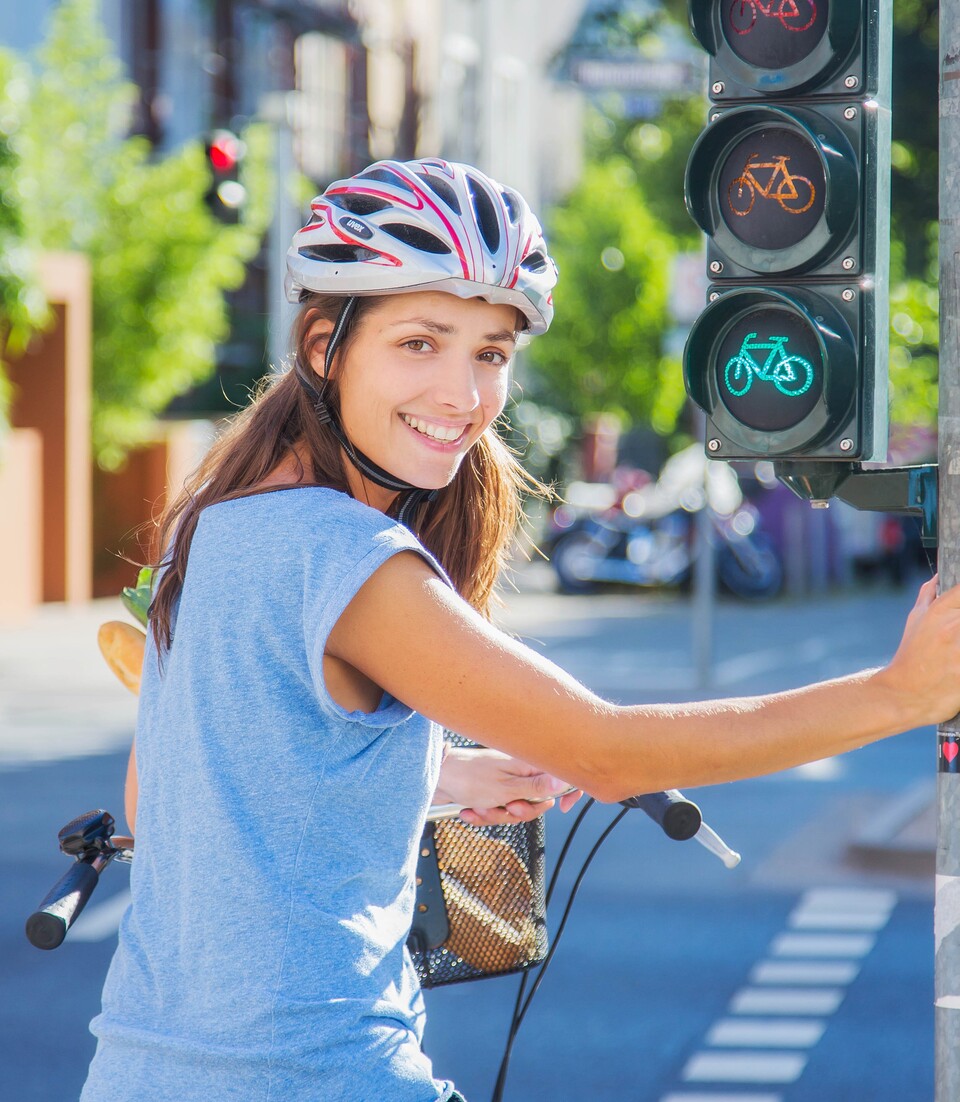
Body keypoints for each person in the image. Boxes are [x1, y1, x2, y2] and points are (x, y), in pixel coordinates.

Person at [81, 158, 960, 1102]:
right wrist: (899, 694)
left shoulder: (212, 527)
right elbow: (608, 752)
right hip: (316, 1077)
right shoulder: (346, 555)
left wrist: (435, 775)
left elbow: (165, 794)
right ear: (324, 344)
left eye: (491, 354)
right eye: (421, 343)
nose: (463, 395)